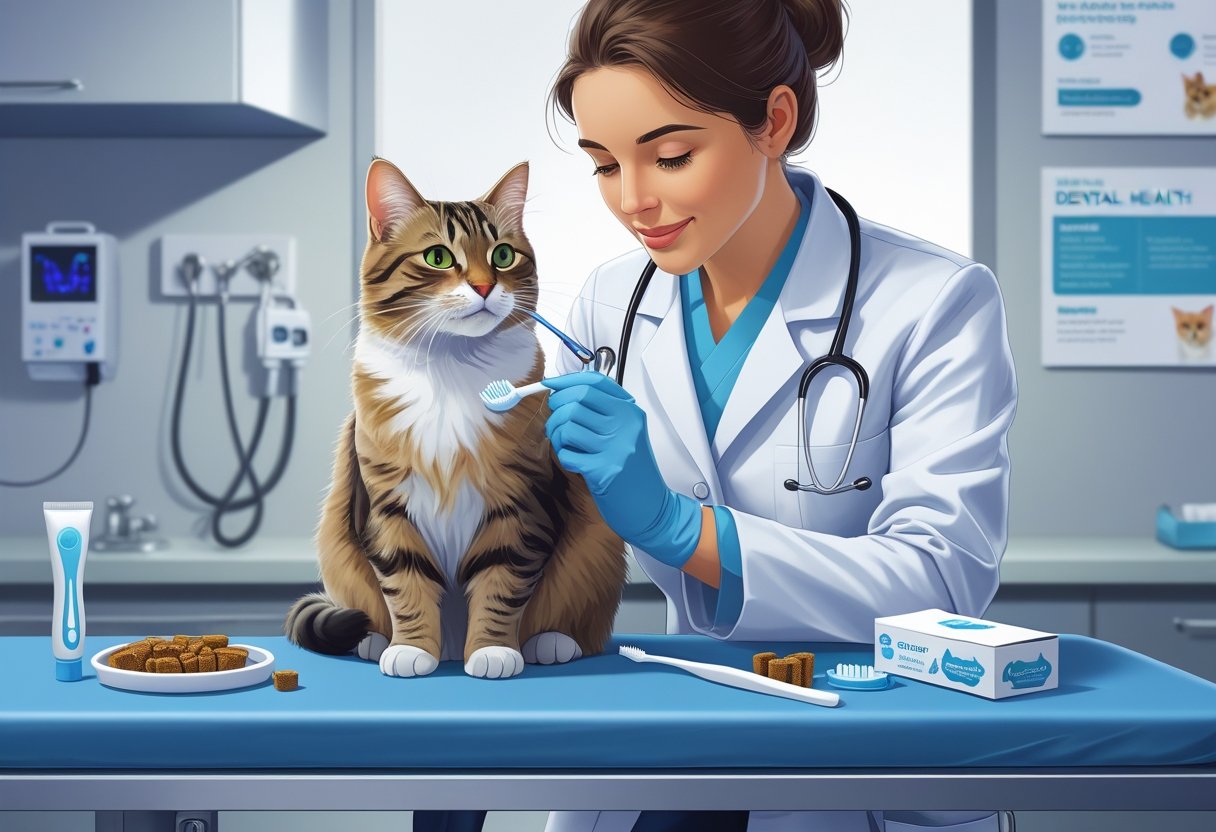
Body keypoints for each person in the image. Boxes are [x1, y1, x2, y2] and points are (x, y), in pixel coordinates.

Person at [534, 1, 1020, 831]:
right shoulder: (611, 303)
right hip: (676, 746)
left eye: (672, 156)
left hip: (860, 756)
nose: (635, 200)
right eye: (604, 166)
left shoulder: (933, 302)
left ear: (775, 121)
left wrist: (684, 529)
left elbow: (943, 583)